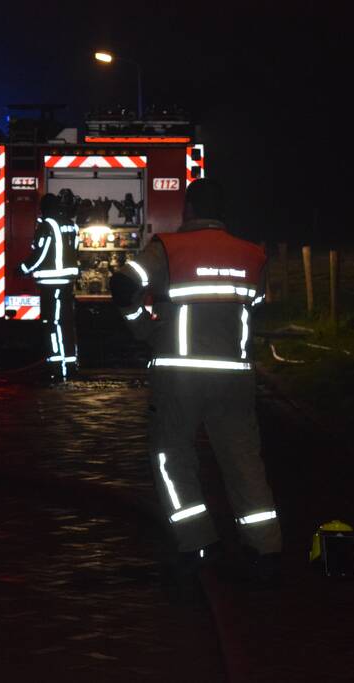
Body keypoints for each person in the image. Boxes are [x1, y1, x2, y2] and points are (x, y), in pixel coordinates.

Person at [109, 178, 281, 587]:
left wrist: (143, 328)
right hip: (235, 377)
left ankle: (198, 543)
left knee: (172, 455)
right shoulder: (252, 255)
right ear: (224, 211)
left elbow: (122, 284)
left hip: (180, 372)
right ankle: (266, 549)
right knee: (243, 460)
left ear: (188, 208)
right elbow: (254, 303)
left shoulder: (168, 249)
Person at [21, 193, 80, 382]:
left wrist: (22, 268)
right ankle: (70, 365)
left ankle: (55, 366)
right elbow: (76, 249)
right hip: (67, 282)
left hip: (50, 284)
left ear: (44, 208)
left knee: (52, 324)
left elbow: (40, 253)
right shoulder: (72, 225)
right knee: (67, 323)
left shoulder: (47, 225)